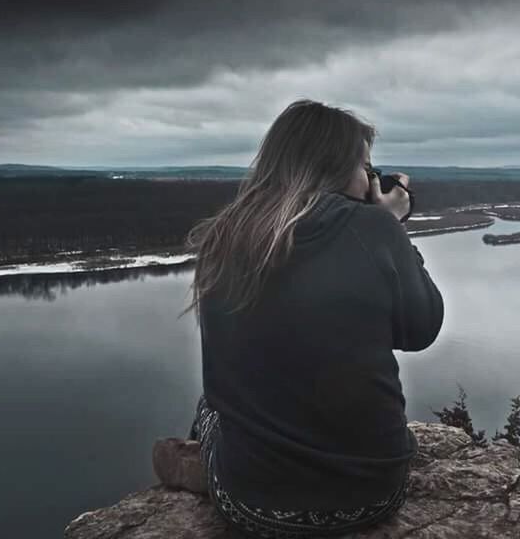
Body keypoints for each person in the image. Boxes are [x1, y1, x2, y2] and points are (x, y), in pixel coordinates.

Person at [178, 99, 444, 537]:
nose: (369, 180)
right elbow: (421, 329)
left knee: (210, 408)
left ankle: (203, 469)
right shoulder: (374, 231)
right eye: (366, 168)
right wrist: (393, 226)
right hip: (372, 496)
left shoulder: (223, 235)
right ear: (338, 169)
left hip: (252, 507)